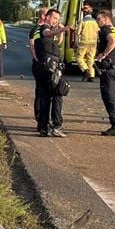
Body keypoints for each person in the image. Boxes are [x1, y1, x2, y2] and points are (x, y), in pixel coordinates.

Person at [33, 9, 69, 137]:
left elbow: (57, 43)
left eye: (58, 19)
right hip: (48, 67)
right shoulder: (44, 28)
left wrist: (60, 32)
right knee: (56, 95)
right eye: (54, 18)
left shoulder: (44, 30)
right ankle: (55, 126)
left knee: (46, 97)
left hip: (47, 66)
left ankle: (45, 127)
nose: (56, 21)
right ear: (47, 17)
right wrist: (62, 29)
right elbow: (47, 34)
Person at [76, 4, 100, 82]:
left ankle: (85, 70)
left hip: (84, 42)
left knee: (79, 58)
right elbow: (98, 31)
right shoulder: (95, 22)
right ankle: (92, 76)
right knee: (90, 59)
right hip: (93, 43)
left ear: (84, 13)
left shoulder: (82, 21)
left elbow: (78, 32)